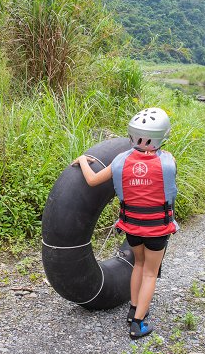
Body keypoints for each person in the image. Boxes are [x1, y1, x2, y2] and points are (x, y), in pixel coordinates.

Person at [73, 108, 177, 341]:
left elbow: (92, 181)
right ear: (161, 136)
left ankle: (133, 309)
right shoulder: (169, 161)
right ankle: (137, 325)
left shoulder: (121, 160)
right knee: (150, 273)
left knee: (138, 265)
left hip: (132, 228)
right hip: (157, 229)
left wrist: (82, 160)